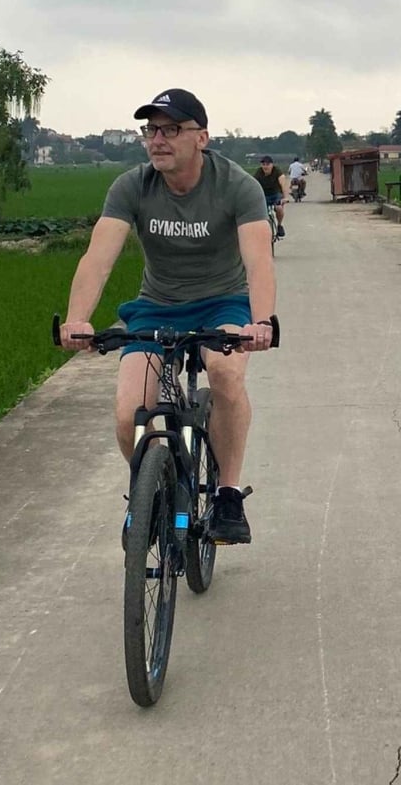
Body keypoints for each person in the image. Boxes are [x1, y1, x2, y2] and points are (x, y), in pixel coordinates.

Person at [59, 88, 275, 544]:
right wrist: (77, 319)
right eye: (151, 130)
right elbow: (99, 256)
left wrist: (262, 322)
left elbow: (258, 260)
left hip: (224, 302)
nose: (158, 139)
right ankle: (150, 491)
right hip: (155, 306)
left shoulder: (237, 185)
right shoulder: (132, 186)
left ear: (202, 138)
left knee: (225, 373)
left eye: (171, 129)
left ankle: (228, 494)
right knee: (129, 414)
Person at [253, 155, 291, 237]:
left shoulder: (277, 171)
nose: (265, 166)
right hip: (264, 195)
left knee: (279, 208)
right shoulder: (258, 173)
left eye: (267, 164)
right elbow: (253, 185)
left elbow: (283, 184)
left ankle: (279, 225)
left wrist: (285, 197)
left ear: (272, 165)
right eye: (263, 164)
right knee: (260, 213)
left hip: (276, 194)